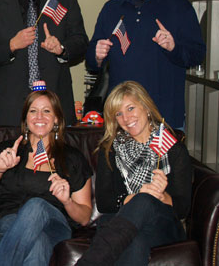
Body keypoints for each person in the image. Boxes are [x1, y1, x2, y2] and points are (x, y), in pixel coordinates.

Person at [86, 0, 206, 129]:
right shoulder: (111, 9)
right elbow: (91, 63)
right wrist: (96, 55)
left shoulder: (178, 5)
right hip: (122, 119)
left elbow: (197, 55)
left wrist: (173, 48)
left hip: (164, 117)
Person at [76, 81, 191, 266]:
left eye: (130, 108)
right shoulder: (111, 149)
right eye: (118, 114)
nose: (126, 118)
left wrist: (162, 196)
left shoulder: (173, 149)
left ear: (145, 107)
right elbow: (105, 202)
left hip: (164, 227)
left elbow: (183, 208)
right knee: (135, 241)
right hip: (123, 227)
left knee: (145, 201)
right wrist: (137, 197)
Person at [0, 89, 92, 265]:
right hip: (7, 222)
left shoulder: (72, 158)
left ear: (57, 119)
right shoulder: (7, 149)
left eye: (46, 111)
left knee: (37, 205)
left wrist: (67, 201)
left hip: (55, 225)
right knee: (38, 244)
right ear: (25, 119)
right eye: (33, 111)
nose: (39, 116)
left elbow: (84, 218)